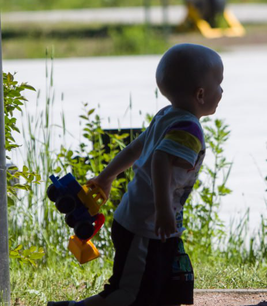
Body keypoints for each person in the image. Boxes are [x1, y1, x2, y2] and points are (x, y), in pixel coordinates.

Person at [48, 43, 224, 306]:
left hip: (143, 221)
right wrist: (164, 210)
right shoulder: (188, 129)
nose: (222, 90)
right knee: (129, 293)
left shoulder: (166, 116)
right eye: (219, 83)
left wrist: (106, 177)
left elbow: (135, 149)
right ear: (200, 94)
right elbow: (160, 161)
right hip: (146, 225)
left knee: (156, 286)